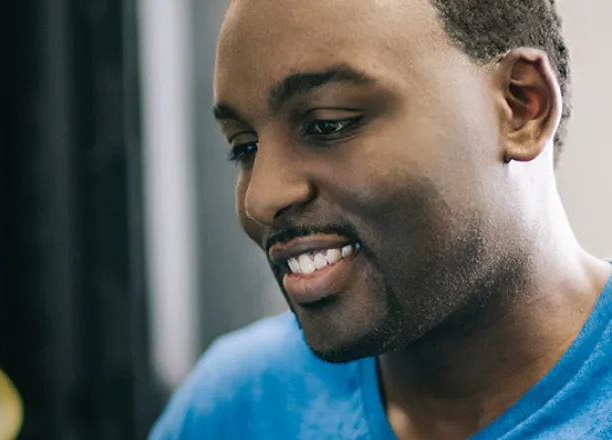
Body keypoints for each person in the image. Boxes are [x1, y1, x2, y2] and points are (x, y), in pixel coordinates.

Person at [150, 0, 612, 438]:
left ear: (521, 107)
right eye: (244, 147)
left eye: (329, 123)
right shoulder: (234, 405)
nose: (262, 198)